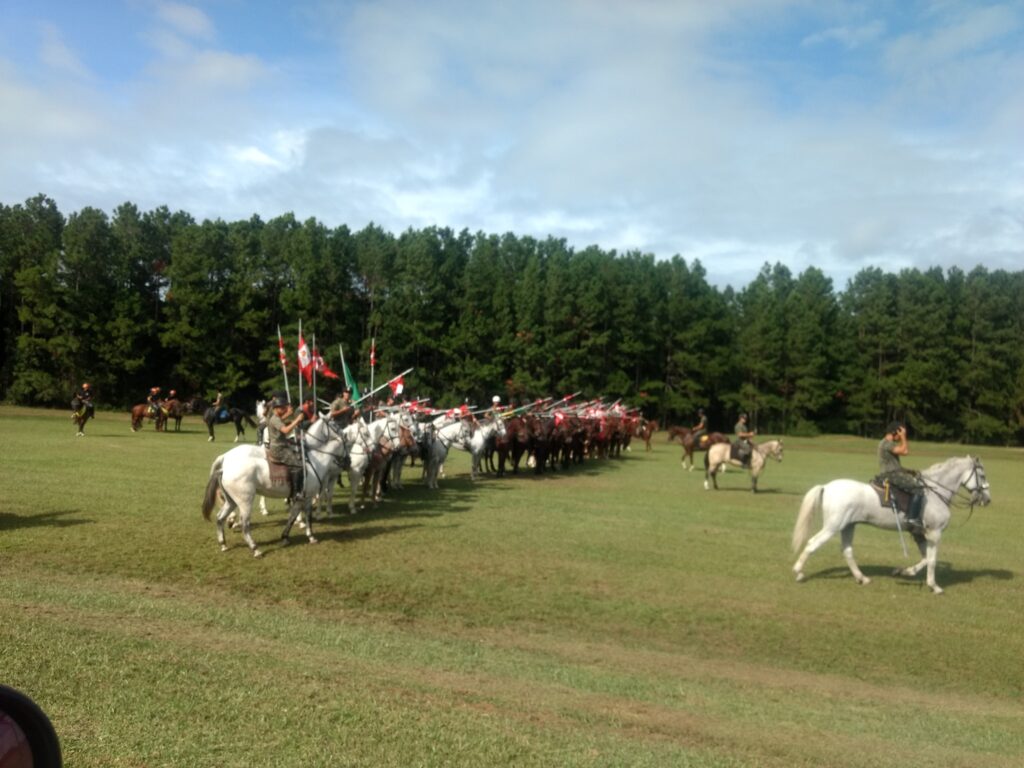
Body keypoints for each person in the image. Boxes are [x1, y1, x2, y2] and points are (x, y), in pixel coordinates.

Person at [877, 420, 925, 530]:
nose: (899, 437)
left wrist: (909, 471)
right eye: (899, 433)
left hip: (894, 472)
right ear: (895, 432)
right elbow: (905, 451)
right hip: (890, 475)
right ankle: (912, 517)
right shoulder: (886, 444)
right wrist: (903, 436)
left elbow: (896, 463)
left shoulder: (888, 443)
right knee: (918, 488)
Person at [267, 392, 306, 500]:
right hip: (279, 449)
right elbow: (285, 430)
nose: (285, 409)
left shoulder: (276, 417)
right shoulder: (274, 419)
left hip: (282, 444)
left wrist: (289, 414)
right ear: (277, 408)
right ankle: (296, 493)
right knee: (298, 465)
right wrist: (297, 420)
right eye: (283, 408)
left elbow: (282, 419)